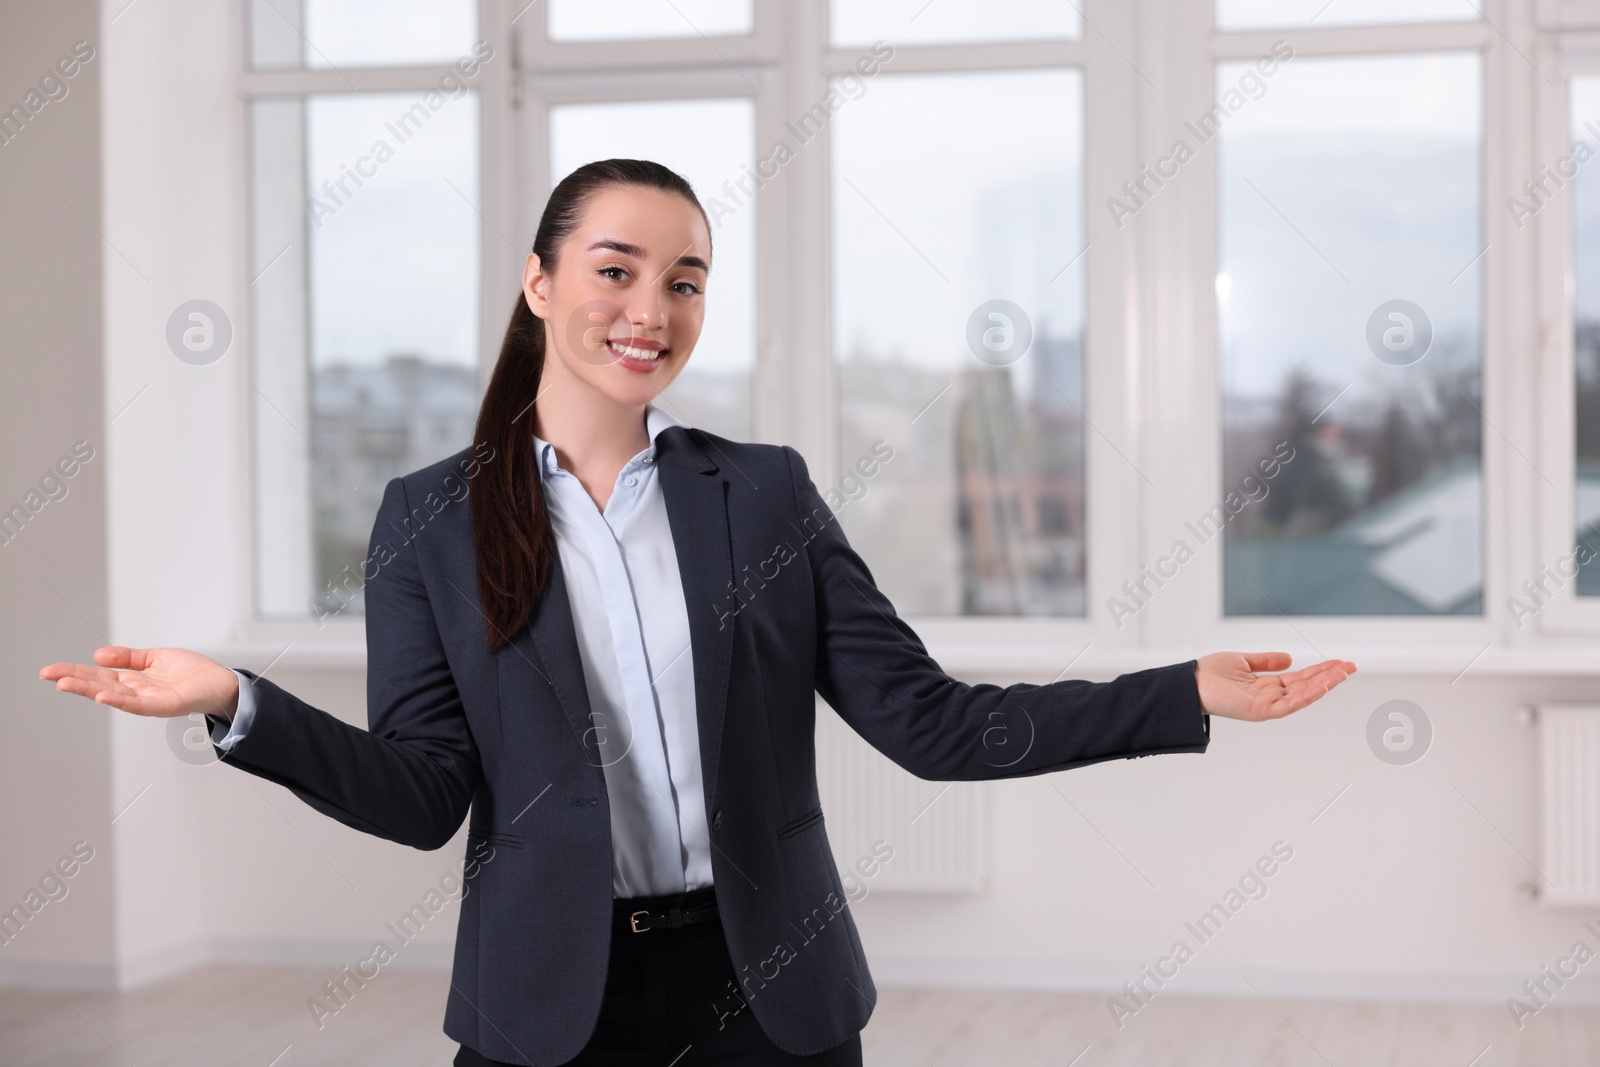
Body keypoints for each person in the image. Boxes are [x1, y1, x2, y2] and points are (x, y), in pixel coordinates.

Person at [40, 158, 1356, 1066]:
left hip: (769, 995)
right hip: (548, 1006)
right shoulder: (430, 519)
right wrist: (235, 705)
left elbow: (932, 724)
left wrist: (1182, 692)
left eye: (685, 279)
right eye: (616, 270)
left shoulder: (764, 499)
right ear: (541, 283)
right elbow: (422, 792)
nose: (650, 309)